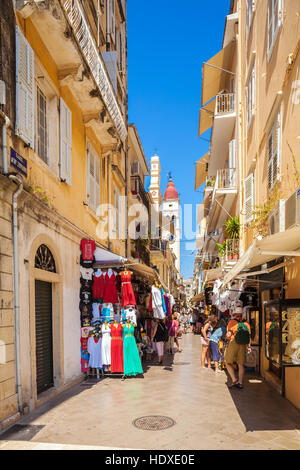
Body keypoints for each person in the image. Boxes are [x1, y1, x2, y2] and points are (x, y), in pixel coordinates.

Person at [225, 307, 251, 389]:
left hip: (233, 342)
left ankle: (234, 379)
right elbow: (249, 337)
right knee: (241, 364)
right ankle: (240, 382)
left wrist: (227, 337)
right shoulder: (246, 324)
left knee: (227, 362)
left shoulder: (232, 322)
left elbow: (228, 335)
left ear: (234, 314)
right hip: (243, 344)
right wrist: (249, 346)